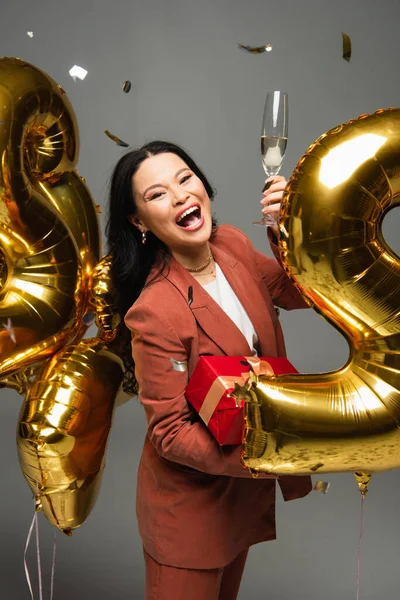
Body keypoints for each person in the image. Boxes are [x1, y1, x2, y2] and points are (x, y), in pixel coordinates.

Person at [106, 141, 312, 600]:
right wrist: (272, 457)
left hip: (237, 501)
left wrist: (286, 226)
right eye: (157, 194)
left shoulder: (233, 243)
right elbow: (171, 432)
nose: (180, 196)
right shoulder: (154, 309)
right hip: (189, 511)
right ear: (139, 222)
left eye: (184, 179)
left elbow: (298, 292)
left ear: (201, 183)